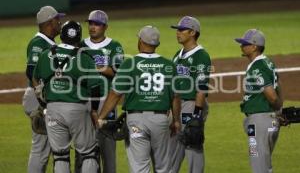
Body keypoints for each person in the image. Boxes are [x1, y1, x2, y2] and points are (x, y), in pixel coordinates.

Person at [97, 25, 181, 173]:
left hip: (137, 121)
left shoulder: (129, 64)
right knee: (163, 168)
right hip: (161, 120)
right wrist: (176, 121)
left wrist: (101, 117)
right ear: (157, 44)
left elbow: (115, 93)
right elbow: (175, 97)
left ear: (141, 41)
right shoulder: (169, 65)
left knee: (139, 168)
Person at [33, 20, 102, 173]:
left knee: (60, 155)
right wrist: (94, 111)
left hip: (53, 110)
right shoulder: (85, 57)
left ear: (62, 36)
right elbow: (95, 87)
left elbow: (35, 79)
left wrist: (43, 103)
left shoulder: (46, 55)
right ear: (79, 38)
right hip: (77, 109)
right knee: (88, 152)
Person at [75, 10, 124, 173]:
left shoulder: (114, 46)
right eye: (90, 23)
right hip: (84, 100)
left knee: (107, 149)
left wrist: (93, 67)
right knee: (83, 147)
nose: (92, 27)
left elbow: (117, 71)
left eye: (97, 24)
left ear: (105, 27)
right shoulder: (80, 45)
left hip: (106, 101)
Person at [22, 5, 64, 173]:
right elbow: (31, 70)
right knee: (41, 148)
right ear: (49, 23)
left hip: (43, 97)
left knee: (49, 147)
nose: (60, 22)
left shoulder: (49, 42)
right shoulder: (39, 43)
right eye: (57, 20)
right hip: (38, 98)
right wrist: (41, 99)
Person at [234, 29, 283, 173]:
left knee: (259, 166)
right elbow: (279, 85)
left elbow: (272, 96)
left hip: (260, 121)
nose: (241, 46)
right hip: (268, 120)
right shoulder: (268, 62)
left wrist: (276, 109)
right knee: (263, 164)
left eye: (245, 43)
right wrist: (279, 111)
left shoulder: (257, 67)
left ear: (254, 46)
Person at [169, 16, 211, 173]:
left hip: (192, 104)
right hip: (177, 105)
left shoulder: (201, 56)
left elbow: (201, 87)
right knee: (174, 146)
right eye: (177, 30)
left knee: (192, 144)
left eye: (181, 30)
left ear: (193, 32)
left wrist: (197, 116)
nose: (177, 33)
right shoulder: (176, 55)